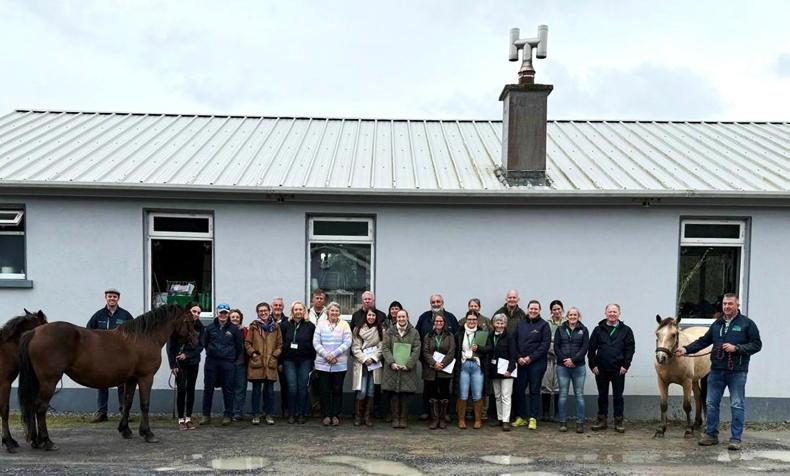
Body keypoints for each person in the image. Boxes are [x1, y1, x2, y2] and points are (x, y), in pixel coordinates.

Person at [676, 293, 762, 450]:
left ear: (737, 306)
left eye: (730, 304)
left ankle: (735, 439)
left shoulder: (747, 324)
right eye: (724, 304)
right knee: (711, 403)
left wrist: (737, 348)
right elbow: (704, 341)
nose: (727, 306)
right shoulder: (717, 324)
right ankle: (711, 435)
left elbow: (757, 345)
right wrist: (686, 349)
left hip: (737, 372)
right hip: (716, 370)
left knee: (737, 404)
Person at [87, 288, 134, 423]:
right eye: (109, 296)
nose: (112, 299)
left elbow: (134, 333)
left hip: (120, 355)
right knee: (102, 382)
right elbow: (88, 332)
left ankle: (124, 412)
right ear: (106, 298)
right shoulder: (98, 315)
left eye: (114, 297)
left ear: (118, 299)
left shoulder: (125, 315)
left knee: (122, 384)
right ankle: (102, 412)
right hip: (102, 355)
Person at [588, 303, 635, 433]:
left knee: (618, 396)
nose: (612, 314)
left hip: (618, 369)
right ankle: (602, 420)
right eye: (610, 312)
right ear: (605, 313)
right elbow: (591, 349)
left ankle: (618, 422)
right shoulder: (598, 330)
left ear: (619, 313)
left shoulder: (626, 330)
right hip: (601, 369)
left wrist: (626, 365)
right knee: (602, 396)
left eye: (615, 312)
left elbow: (630, 349)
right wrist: (593, 365)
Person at [415, 294, 459, 420]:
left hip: (446, 365)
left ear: (442, 302)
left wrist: (444, 363)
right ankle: (428, 412)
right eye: (433, 302)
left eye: (438, 301)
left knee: (444, 389)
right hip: (428, 363)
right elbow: (418, 338)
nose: (436, 304)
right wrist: (429, 361)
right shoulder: (424, 317)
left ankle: (444, 414)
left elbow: (455, 341)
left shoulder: (451, 318)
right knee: (429, 389)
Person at [200, 303, 244, 426]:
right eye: (221, 313)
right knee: (208, 389)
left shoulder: (234, 329)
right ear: (217, 313)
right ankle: (206, 415)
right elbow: (205, 343)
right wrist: (212, 352)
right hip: (211, 362)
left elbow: (239, 347)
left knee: (228, 389)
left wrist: (230, 357)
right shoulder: (210, 328)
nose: (223, 315)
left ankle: (227, 415)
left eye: (225, 313)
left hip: (228, 363)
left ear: (228, 314)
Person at [512, 300, 551, 430]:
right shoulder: (520, 324)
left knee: (534, 390)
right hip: (521, 363)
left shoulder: (544, 325)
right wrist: (518, 357)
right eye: (531, 308)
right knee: (519, 390)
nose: (533, 311)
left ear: (539, 310)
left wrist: (530, 358)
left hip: (537, 364)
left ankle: (533, 418)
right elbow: (514, 342)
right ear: (527, 309)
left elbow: (544, 345)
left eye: (536, 309)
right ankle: (521, 417)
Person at [313, 301, 352, 426]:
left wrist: (334, 354)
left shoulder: (345, 325)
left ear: (339, 312)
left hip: (339, 364)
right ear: (328, 312)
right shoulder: (321, 324)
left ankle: (335, 415)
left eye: (336, 310)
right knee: (324, 391)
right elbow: (316, 342)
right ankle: (325, 415)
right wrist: (326, 355)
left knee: (337, 390)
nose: (334, 312)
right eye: (332, 310)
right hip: (322, 364)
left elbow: (347, 342)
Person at [381, 309, 421, 429]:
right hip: (392, 368)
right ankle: (395, 418)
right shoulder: (390, 331)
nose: (401, 319)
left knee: (405, 395)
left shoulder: (414, 332)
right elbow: (385, 348)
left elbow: (416, 349)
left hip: (407, 369)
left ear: (407, 317)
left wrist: (408, 364)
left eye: (403, 316)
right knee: (393, 394)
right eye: (399, 317)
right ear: (396, 318)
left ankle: (403, 419)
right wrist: (391, 362)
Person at [167, 303, 204, 430]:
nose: (196, 314)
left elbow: (200, 346)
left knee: (191, 389)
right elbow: (170, 347)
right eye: (194, 311)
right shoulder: (178, 325)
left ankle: (188, 418)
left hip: (193, 361)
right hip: (179, 363)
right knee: (181, 389)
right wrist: (172, 365)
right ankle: (180, 419)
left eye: (198, 312)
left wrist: (187, 355)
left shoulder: (200, 327)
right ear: (188, 311)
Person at [245, 302, 283, 425]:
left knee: (269, 392)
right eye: (260, 311)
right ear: (258, 313)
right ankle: (256, 414)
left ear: (269, 311)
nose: (263, 313)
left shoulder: (275, 327)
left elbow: (280, 345)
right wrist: (253, 354)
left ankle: (268, 414)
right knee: (256, 391)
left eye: (265, 310)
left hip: (270, 362)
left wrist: (275, 355)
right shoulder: (254, 326)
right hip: (257, 362)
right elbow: (247, 343)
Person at [554, 307, 589, 433]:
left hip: (578, 367)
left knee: (579, 395)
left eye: (575, 315)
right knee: (563, 395)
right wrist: (565, 360)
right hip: (562, 367)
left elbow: (585, 347)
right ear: (567, 316)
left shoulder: (584, 330)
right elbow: (556, 347)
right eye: (571, 315)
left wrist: (573, 360)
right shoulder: (560, 329)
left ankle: (580, 423)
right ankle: (563, 422)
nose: (573, 317)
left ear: (579, 316)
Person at [280, 301, 315, 424]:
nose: (298, 312)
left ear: (304, 311)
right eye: (296, 309)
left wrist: (313, 362)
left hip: (305, 360)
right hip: (289, 361)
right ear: (292, 311)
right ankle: (291, 413)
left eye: (300, 309)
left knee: (302, 387)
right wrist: (280, 362)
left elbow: (314, 345)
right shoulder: (285, 325)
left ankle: (301, 413)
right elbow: (280, 344)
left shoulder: (310, 326)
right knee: (292, 387)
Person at [454, 311, 491, 429]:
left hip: (477, 365)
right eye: (469, 319)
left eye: (474, 319)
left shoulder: (482, 333)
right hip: (464, 365)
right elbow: (455, 349)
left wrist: (479, 348)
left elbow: (489, 348)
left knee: (477, 393)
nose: (472, 321)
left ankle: (478, 420)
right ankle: (461, 420)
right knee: (462, 393)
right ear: (466, 320)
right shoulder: (459, 333)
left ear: (477, 321)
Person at [421, 314, 456, 430]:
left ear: (444, 323)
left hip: (444, 370)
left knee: (444, 393)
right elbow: (425, 352)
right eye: (437, 321)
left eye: (441, 321)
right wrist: (434, 363)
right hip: (431, 370)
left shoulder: (450, 335)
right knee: (432, 394)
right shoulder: (428, 335)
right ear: (433, 323)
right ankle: (434, 419)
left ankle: (442, 419)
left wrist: (442, 364)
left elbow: (451, 352)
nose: (439, 323)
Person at [350, 308, 383, 426]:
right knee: (362, 390)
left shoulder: (380, 330)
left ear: (376, 317)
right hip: (361, 364)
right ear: (365, 316)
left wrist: (373, 358)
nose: (371, 317)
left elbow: (381, 347)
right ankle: (358, 416)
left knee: (371, 390)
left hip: (374, 364)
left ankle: (367, 417)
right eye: (369, 315)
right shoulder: (357, 329)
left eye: (373, 315)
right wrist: (364, 359)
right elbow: (355, 347)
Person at [542, 299, 565, 421]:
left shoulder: (566, 323)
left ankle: (557, 413)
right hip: (547, 358)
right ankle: (545, 413)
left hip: (561, 360)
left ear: (562, 310)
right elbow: (544, 340)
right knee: (545, 385)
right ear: (551, 311)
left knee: (558, 386)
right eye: (554, 309)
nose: (556, 311)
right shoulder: (546, 323)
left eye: (558, 309)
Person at [380, 300, 403, 422]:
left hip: (401, 358)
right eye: (392, 308)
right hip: (387, 358)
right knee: (388, 387)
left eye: (396, 308)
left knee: (399, 387)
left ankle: (398, 414)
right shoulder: (385, 323)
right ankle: (388, 412)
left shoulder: (405, 323)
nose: (394, 310)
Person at [229, 309, 248, 422]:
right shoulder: (225, 330)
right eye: (233, 317)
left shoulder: (245, 331)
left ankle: (237, 412)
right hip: (228, 364)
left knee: (240, 389)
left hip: (241, 363)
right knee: (228, 389)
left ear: (240, 319)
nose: (235, 319)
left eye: (237, 317)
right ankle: (228, 412)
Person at [271, 297, 289, 417]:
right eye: (275, 305)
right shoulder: (266, 320)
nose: (278, 307)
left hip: (283, 358)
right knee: (267, 385)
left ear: (283, 307)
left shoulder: (288, 321)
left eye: (280, 305)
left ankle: (285, 409)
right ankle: (268, 411)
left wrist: (281, 362)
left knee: (285, 385)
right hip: (269, 358)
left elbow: (287, 343)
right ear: (272, 307)